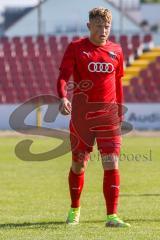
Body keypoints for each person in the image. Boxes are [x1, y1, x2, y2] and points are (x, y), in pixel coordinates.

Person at [57, 7, 130, 227]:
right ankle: (75, 210)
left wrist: (119, 111)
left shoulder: (116, 50)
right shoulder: (76, 48)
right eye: (98, 26)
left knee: (112, 164)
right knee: (79, 165)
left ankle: (112, 216)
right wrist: (62, 97)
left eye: (107, 26)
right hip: (82, 118)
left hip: (108, 118)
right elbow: (63, 77)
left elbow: (118, 84)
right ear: (89, 26)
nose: (103, 30)